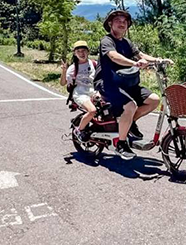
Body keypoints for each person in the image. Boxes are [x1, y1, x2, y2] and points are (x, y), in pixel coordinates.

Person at [99, 9, 171, 160]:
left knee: (154, 100)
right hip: (109, 83)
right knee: (130, 106)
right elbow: (114, 56)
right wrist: (135, 63)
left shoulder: (127, 42)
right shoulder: (107, 41)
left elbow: (141, 55)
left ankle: (129, 123)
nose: (122, 23)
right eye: (118, 20)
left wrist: (158, 60)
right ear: (110, 23)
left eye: (125, 22)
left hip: (127, 83)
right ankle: (121, 144)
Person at [61, 40, 98, 140]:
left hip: (94, 91)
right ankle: (79, 130)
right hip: (80, 93)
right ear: (75, 53)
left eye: (84, 51)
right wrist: (64, 71)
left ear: (88, 51)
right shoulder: (73, 68)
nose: (82, 53)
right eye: (79, 51)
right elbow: (63, 83)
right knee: (92, 111)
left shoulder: (94, 64)